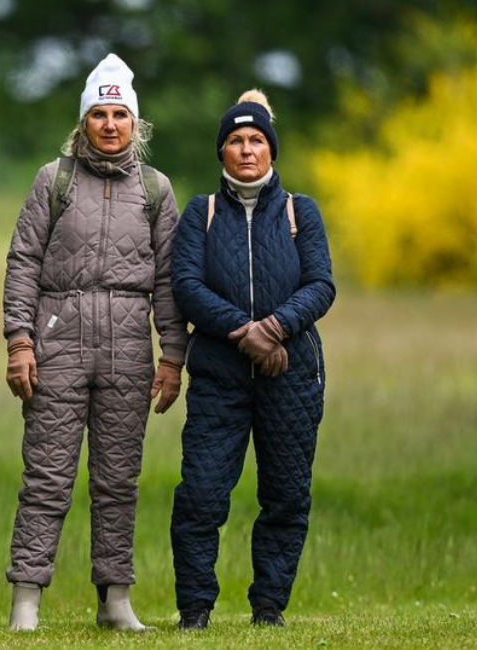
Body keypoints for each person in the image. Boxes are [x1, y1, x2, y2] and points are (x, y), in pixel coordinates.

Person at [1, 53, 187, 632]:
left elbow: (169, 280)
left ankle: (115, 601)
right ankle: (26, 602)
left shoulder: (156, 190)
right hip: (57, 340)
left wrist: (173, 355)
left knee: (117, 479)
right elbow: (23, 262)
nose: (109, 124)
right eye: (99, 114)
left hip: (130, 347)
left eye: (120, 114)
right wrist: (19, 340)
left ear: (137, 123)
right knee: (48, 476)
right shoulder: (51, 181)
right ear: (83, 121)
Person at [168, 90, 335, 630]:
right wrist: (246, 333)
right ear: (221, 152)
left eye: (256, 140)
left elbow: (321, 285)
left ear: (271, 150)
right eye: (236, 141)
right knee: (201, 495)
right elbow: (187, 287)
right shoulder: (202, 212)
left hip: (292, 374)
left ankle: (268, 608)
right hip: (219, 377)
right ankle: (195, 610)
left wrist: (277, 328)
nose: (246, 150)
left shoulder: (299, 212)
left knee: (285, 495)